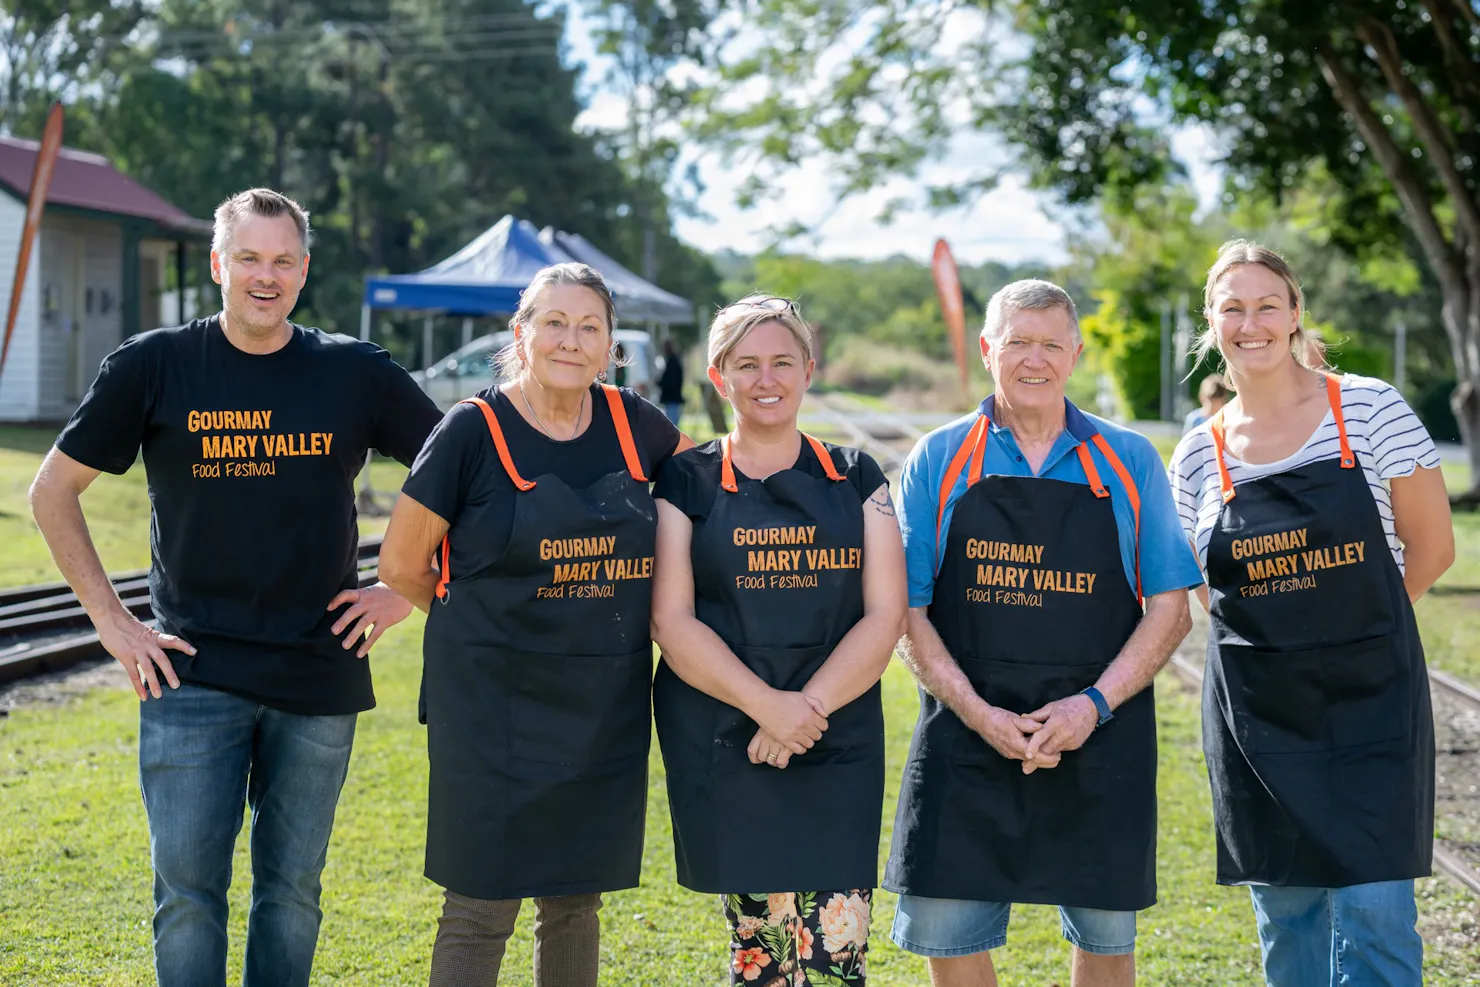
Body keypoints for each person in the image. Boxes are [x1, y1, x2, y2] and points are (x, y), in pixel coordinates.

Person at [27, 188, 442, 987]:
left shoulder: (356, 372)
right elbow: (52, 492)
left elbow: (463, 475)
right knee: (188, 897)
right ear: (218, 264)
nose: (266, 275)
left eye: (283, 260)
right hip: (190, 672)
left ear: (304, 270)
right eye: (248, 257)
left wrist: (404, 590)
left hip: (318, 672)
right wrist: (113, 623)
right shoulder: (153, 364)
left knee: (292, 893)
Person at [376, 262, 692, 987]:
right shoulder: (471, 430)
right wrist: (480, 628)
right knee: (480, 902)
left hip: (600, 704)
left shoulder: (636, 425)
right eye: (554, 322)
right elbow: (401, 564)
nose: (570, 341)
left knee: (576, 900)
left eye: (589, 327)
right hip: (491, 706)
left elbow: (713, 506)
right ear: (521, 334)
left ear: (611, 346)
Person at [884, 279, 1203, 987]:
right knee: (948, 932)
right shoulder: (939, 457)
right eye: (1018, 343)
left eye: (1052, 345)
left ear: (1075, 354)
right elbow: (908, 611)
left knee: (1106, 935)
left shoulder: (1128, 458)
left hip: (1100, 733)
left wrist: (1091, 706)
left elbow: (1171, 607)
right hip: (967, 730)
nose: (1035, 359)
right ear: (987, 349)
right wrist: (977, 712)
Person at [1168, 241, 1454, 987]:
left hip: (1371, 704)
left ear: (1295, 313)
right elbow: (1209, 594)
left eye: (1268, 305)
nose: (1251, 323)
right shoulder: (1197, 456)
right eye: (1233, 308)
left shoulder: (1369, 408)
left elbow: (1433, 547)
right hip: (1259, 719)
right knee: (1288, 921)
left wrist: (1353, 635)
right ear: (1211, 322)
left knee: (1375, 918)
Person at [650, 294, 907, 986]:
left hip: (837, 734)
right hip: (729, 731)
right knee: (759, 952)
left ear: (808, 370)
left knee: (836, 957)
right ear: (718, 377)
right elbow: (671, 621)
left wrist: (804, 711)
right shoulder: (684, 479)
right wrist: (766, 707)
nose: (766, 379)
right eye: (747, 364)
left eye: (782, 362)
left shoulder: (857, 476)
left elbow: (886, 615)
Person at [659, 337, 686, 427]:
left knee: (671, 426)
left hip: (671, 398)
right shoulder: (676, 361)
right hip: (674, 398)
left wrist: (660, 383)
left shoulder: (671, 363)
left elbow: (670, 381)